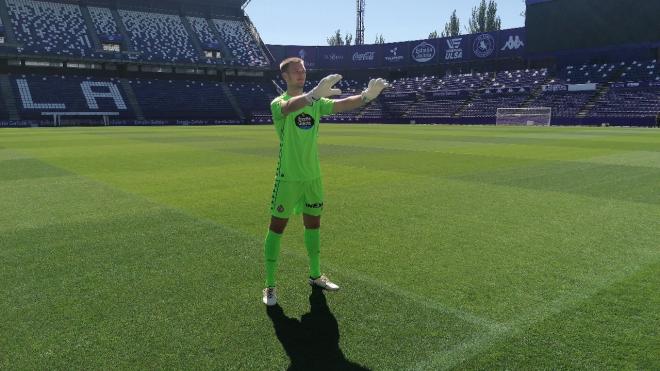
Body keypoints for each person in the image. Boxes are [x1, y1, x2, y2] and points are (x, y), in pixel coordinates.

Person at [263, 57, 388, 306]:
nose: (301, 73)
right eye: (296, 71)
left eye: (304, 70)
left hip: (313, 177)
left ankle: (315, 274)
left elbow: (342, 105)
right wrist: (311, 95)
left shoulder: (317, 103)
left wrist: (365, 96)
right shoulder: (279, 103)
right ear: (285, 77)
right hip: (288, 178)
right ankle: (270, 285)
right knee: (277, 229)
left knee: (314, 225)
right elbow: (290, 108)